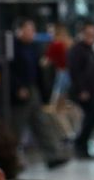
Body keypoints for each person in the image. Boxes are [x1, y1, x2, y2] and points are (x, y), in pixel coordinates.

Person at [8, 19, 69, 168]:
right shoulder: (12, 48)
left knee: (42, 123)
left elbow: (39, 70)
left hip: (33, 90)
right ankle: (10, 159)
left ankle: (52, 156)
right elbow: (9, 72)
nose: (32, 33)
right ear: (20, 30)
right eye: (29, 29)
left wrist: (43, 92)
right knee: (16, 128)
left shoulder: (33, 48)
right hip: (20, 92)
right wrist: (17, 88)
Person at [68, 21, 94, 159]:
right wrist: (81, 90)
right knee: (92, 117)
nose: (92, 36)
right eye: (89, 34)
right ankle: (79, 145)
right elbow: (75, 72)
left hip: (93, 90)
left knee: (93, 117)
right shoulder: (77, 50)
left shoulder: (90, 49)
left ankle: (82, 146)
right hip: (84, 92)